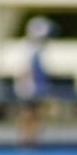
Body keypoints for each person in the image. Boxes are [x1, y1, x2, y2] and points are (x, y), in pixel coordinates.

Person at [15, 16, 53, 147]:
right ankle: (26, 138)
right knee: (27, 114)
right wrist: (27, 86)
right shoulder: (28, 47)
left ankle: (32, 138)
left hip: (35, 87)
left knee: (35, 114)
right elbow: (25, 69)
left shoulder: (37, 47)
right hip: (29, 88)